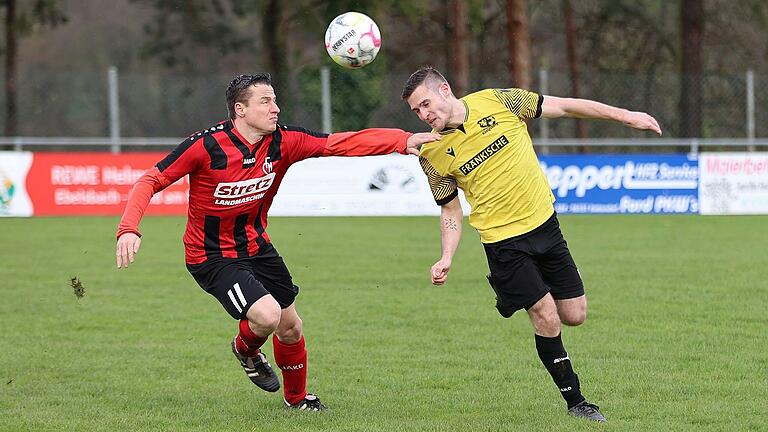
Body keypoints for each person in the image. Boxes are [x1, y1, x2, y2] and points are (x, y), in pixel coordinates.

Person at [116, 73, 440, 411]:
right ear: (240, 110)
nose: (276, 108)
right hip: (212, 257)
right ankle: (246, 349)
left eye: (275, 100)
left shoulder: (284, 141)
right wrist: (128, 228)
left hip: (258, 247)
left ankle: (297, 401)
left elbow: (341, 143)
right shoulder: (206, 146)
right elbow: (151, 179)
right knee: (267, 315)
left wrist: (402, 141)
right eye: (266, 101)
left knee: (290, 328)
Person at [401, 67, 661, 423]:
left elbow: (567, 107)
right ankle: (577, 402)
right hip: (503, 243)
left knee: (575, 316)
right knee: (546, 315)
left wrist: (625, 116)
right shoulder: (431, 153)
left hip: (546, 227)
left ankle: (517, 295)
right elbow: (450, 209)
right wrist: (446, 255)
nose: (424, 115)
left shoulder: (499, 101)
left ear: (445, 90)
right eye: (416, 111)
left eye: (425, 104)